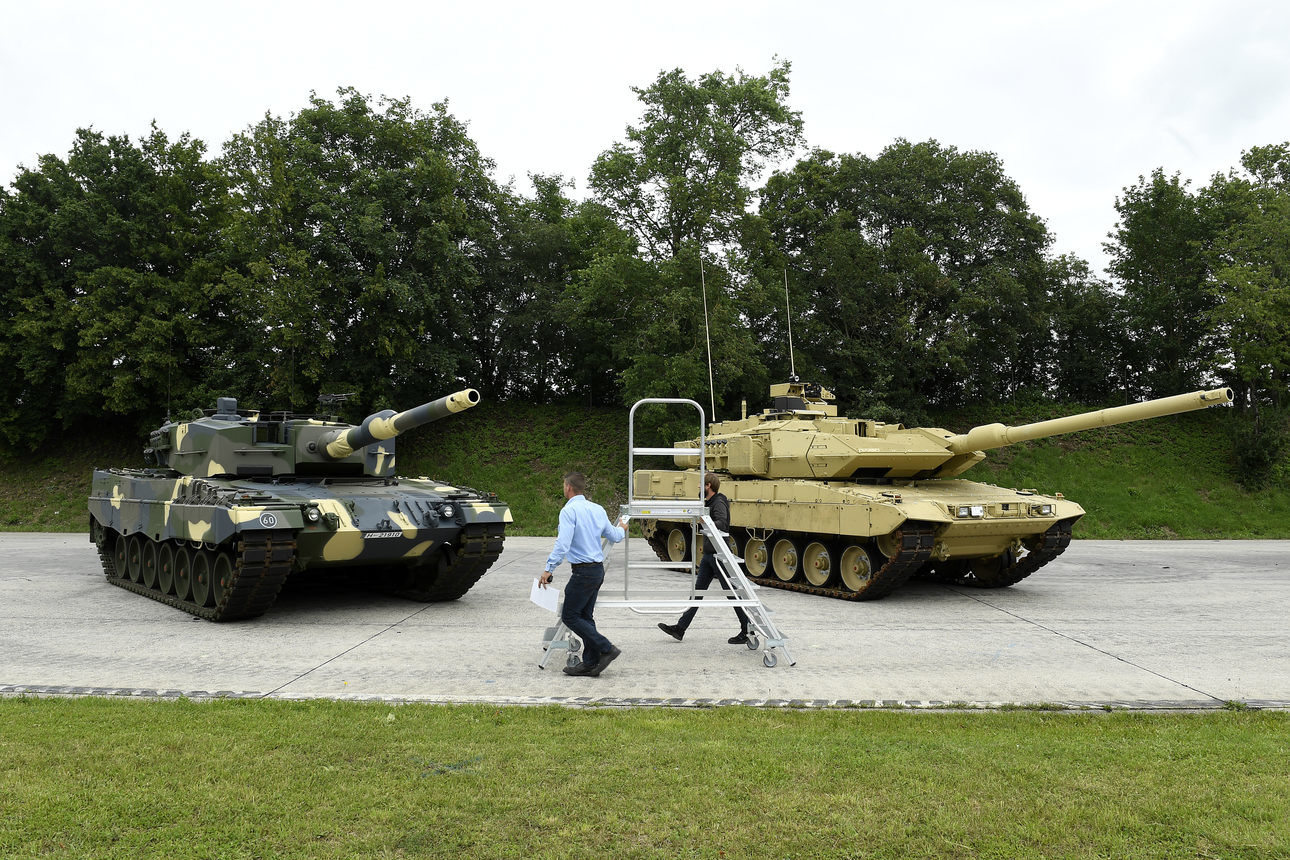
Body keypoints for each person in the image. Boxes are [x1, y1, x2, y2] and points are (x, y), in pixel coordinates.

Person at [539, 472, 626, 677]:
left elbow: (562, 544)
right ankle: (590, 662)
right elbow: (614, 535)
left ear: (568, 487)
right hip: (597, 570)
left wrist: (549, 568)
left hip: (582, 572)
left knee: (570, 615)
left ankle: (607, 648)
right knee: (585, 616)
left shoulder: (568, 511)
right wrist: (622, 528)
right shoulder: (597, 509)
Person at [657, 472, 751, 645]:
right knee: (697, 592)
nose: (699, 488)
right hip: (709, 555)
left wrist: (704, 521)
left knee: (731, 593)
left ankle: (747, 630)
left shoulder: (719, 501)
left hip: (719, 555)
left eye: (702, 485)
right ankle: (680, 628)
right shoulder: (710, 502)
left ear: (709, 486)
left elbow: (722, 522)